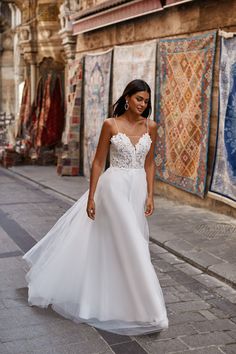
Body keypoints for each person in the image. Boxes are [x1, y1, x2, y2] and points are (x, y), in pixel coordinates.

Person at [23, 79, 169, 336]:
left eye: (146, 100)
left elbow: (149, 163)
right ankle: (151, 311)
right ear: (127, 98)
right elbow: (99, 162)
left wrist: (150, 194)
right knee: (133, 244)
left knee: (119, 243)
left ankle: (117, 298)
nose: (143, 104)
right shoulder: (110, 125)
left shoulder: (151, 126)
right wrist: (92, 196)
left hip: (136, 190)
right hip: (112, 187)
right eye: (139, 99)